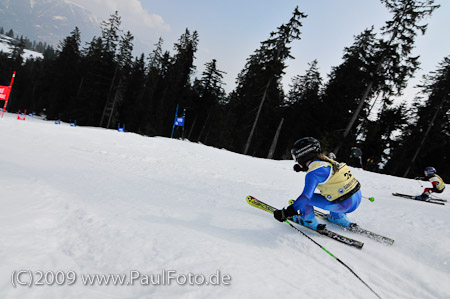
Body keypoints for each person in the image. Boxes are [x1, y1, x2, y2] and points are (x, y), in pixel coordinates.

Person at [274, 137, 362, 231]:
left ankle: (308, 221)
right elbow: (322, 173)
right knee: (334, 192)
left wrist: (287, 212)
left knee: (306, 200)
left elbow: (306, 197)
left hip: (345, 205)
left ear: (303, 155)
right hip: (356, 197)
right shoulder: (325, 160)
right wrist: (303, 168)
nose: (296, 161)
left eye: (296, 157)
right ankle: (337, 216)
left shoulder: (313, 173)